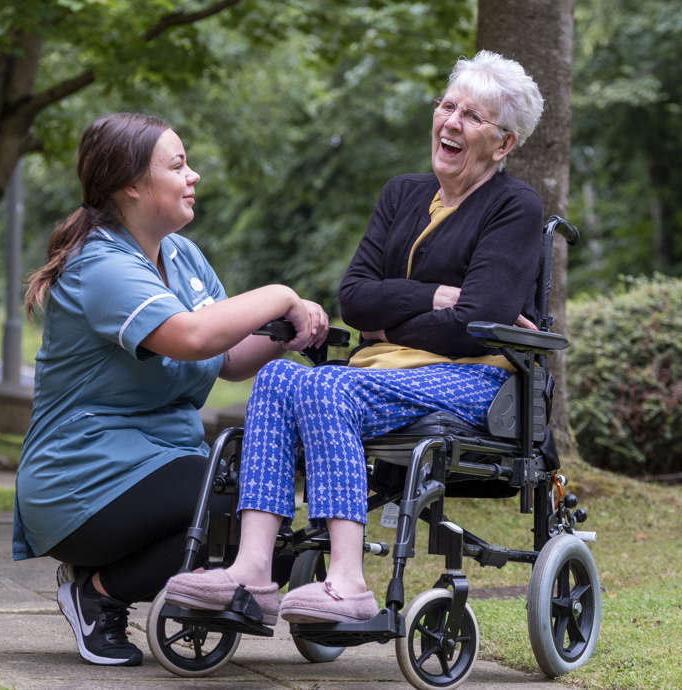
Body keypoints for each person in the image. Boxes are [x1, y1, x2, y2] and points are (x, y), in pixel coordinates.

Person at [164, 50, 546, 626]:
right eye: (447, 106)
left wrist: (391, 317)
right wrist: (431, 297)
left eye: (472, 116)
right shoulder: (401, 195)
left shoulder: (514, 206)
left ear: (505, 143)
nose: (450, 122)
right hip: (379, 371)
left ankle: (347, 584)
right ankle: (251, 573)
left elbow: (475, 323)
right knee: (276, 376)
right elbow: (354, 297)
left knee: (324, 388)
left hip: (478, 380)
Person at [12, 112, 329, 666]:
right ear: (132, 185)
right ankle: (98, 595)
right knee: (238, 502)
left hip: (165, 463)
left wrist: (289, 334)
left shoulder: (183, 256)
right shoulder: (101, 264)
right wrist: (281, 294)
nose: (194, 176)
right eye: (178, 165)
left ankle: (118, 583)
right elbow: (192, 336)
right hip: (83, 478)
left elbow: (226, 358)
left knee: (270, 549)